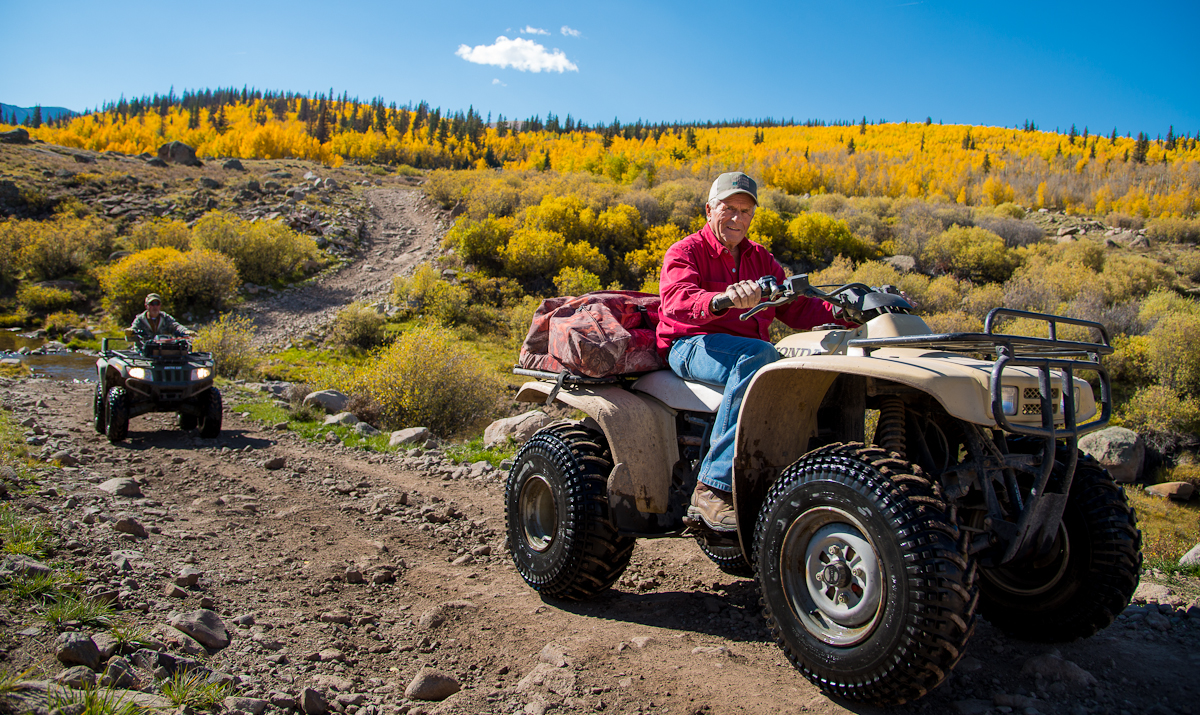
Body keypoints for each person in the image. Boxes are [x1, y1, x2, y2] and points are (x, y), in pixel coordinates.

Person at [656, 172, 850, 532]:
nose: (736, 218)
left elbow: (798, 309)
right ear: (709, 209)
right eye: (728, 208)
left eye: (745, 212)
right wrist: (721, 299)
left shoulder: (762, 259)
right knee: (758, 357)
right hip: (690, 343)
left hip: (744, 347)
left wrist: (847, 313)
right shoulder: (685, 251)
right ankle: (711, 487)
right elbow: (677, 301)